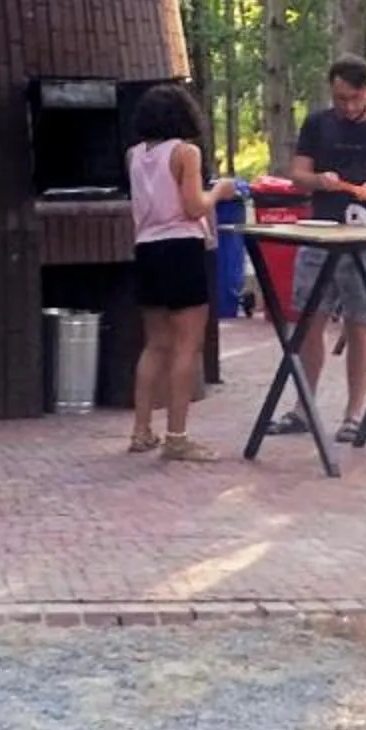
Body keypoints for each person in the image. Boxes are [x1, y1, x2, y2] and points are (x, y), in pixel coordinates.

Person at [278, 55, 366, 442]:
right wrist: (319, 180)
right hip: (319, 232)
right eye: (341, 99)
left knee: (360, 322)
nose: (348, 107)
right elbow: (298, 175)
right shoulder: (317, 124)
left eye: (355, 98)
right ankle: (302, 407)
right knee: (309, 320)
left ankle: (354, 414)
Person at [125, 82, 238, 460]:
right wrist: (219, 191)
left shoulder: (134, 156)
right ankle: (177, 436)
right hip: (182, 248)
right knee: (187, 345)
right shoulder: (185, 153)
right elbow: (193, 207)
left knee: (155, 343)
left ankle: (141, 430)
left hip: (147, 250)